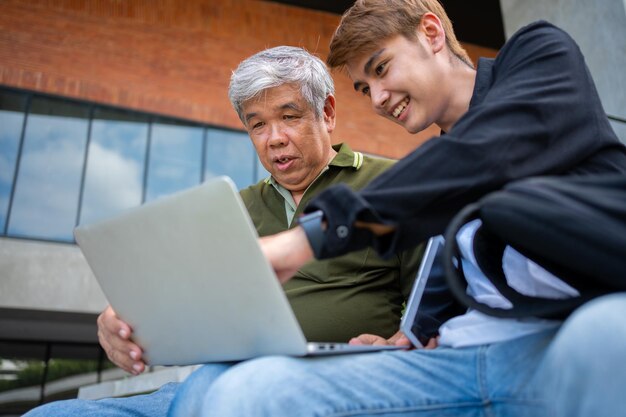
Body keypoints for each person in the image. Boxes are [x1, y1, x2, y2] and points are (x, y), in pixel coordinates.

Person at [164, 1, 626, 416]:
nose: (379, 99)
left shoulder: (540, 55)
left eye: (381, 69)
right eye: (365, 89)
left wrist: (307, 238)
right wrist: (405, 335)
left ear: (431, 33)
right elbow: (441, 270)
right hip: (457, 358)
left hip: (569, 336)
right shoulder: (436, 180)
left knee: (610, 334)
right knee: (244, 392)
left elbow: (485, 152)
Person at [23, 46, 424, 417]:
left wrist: (402, 341)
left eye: (290, 116)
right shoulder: (230, 208)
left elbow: (436, 304)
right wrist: (119, 322)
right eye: (257, 125)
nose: (274, 139)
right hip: (217, 381)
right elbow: (173, 296)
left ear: (328, 113)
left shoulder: (391, 184)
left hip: (333, 383)